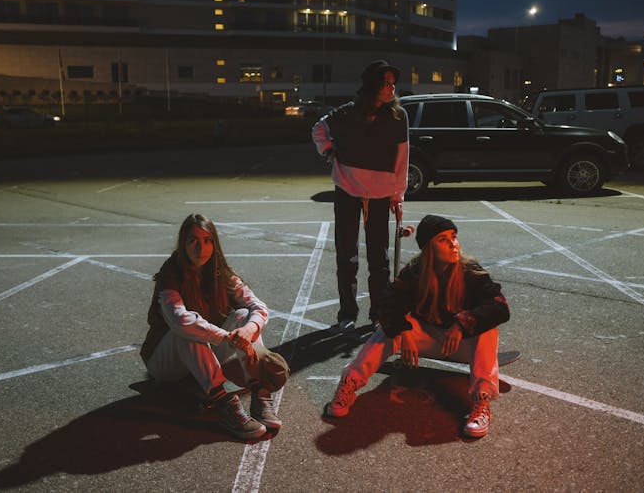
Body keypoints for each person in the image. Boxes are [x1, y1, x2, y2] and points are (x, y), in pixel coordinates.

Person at [324, 215, 510, 438]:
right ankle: (349, 384)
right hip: (427, 341)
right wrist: (402, 330)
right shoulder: (415, 272)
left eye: (454, 237)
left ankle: (481, 404)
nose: (453, 244)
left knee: (487, 330)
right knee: (387, 329)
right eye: (443, 239)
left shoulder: (469, 271)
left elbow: (499, 306)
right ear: (429, 248)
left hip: (460, 344)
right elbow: (387, 303)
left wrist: (462, 323)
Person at [140, 213, 283, 441]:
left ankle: (258, 389)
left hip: (204, 352)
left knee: (244, 315)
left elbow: (258, 306)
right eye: (193, 241)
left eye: (207, 240)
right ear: (183, 244)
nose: (201, 248)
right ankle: (222, 402)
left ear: (214, 243)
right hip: (165, 361)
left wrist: (247, 330)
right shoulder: (171, 275)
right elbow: (180, 320)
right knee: (187, 328)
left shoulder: (219, 271)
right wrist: (227, 337)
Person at [311, 59, 409, 331]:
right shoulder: (346, 114)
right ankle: (347, 313)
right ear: (372, 85)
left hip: (380, 194)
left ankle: (378, 313)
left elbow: (402, 158)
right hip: (347, 190)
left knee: (379, 259)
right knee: (346, 256)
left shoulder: (397, 117)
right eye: (386, 83)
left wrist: (397, 196)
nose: (391, 88)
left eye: (393, 83)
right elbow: (318, 129)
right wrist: (328, 149)